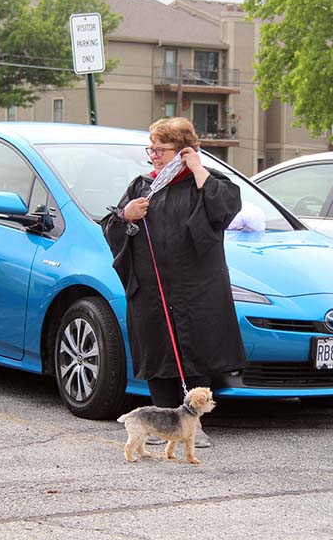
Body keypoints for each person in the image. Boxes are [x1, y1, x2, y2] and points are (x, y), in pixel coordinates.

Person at [102, 117, 247, 448]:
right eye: (151, 149)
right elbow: (111, 225)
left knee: (196, 350)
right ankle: (160, 424)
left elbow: (225, 208)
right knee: (157, 350)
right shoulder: (142, 186)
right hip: (152, 289)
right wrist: (126, 216)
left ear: (184, 151)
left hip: (196, 289)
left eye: (161, 150)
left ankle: (194, 426)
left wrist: (198, 169)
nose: (153, 156)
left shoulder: (206, 184)